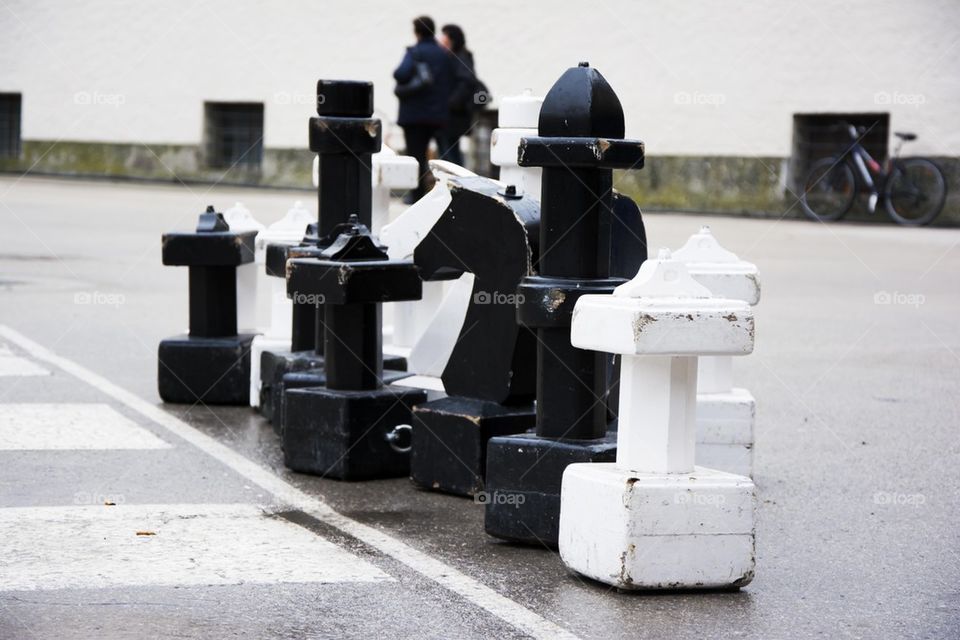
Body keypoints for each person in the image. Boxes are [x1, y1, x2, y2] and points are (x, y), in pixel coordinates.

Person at [393, 16, 454, 202]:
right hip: (439, 115)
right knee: (444, 156)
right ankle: (448, 195)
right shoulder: (444, 54)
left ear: (417, 32)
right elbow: (451, 81)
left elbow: (400, 74)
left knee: (417, 156)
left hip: (415, 116)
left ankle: (417, 196)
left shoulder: (415, 52)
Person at [438, 24, 477, 167]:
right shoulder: (455, 56)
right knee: (447, 152)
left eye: (445, 37)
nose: (442, 40)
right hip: (451, 114)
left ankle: (458, 184)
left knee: (451, 154)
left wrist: (450, 103)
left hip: (454, 115)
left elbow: (466, 82)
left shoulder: (460, 57)